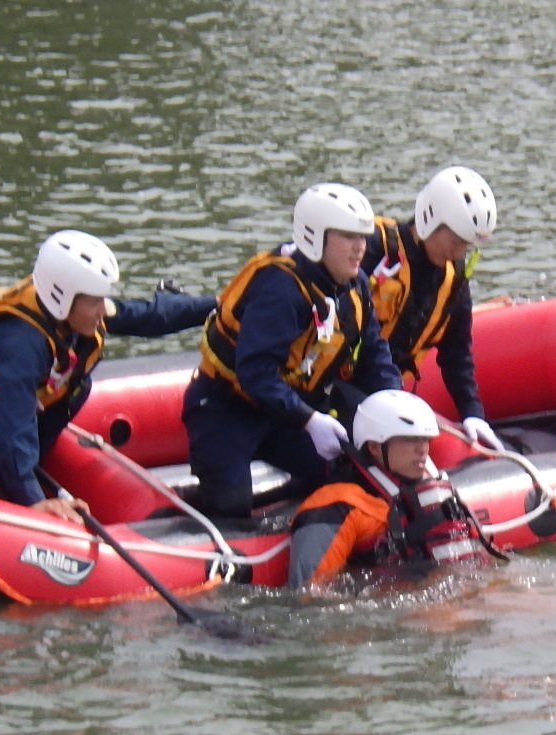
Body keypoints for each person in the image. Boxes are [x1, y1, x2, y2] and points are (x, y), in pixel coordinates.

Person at [0, 230, 216, 523]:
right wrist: (33, 500)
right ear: (63, 296)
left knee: (78, 385)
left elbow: (148, 316)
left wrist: (215, 305)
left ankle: (22, 469)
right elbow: (13, 424)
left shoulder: (71, 311)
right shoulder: (21, 343)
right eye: (94, 301)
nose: (101, 309)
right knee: (4, 408)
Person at [183, 183, 402, 518]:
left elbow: (373, 351)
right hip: (227, 408)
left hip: (287, 410)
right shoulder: (280, 288)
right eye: (348, 237)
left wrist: (396, 405)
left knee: (347, 474)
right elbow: (254, 373)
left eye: (363, 237)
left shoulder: (353, 285)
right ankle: (193, 505)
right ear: (316, 236)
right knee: (229, 505)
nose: (360, 248)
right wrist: (309, 420)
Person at [286, 389, 484, 589]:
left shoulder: (436, 492)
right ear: (374, 447)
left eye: (425, 439)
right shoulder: (336, 505)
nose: (422, 449)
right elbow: (309, 594)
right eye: (409, 439)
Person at [366, 166, 504, 451]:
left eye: (465, 246)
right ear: (430, 221)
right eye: (454, 242)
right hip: (344, 383)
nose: (458, 253)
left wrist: (472, 412)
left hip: (388, 393)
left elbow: (457, 352)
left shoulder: (453, 279)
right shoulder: (373, 249)